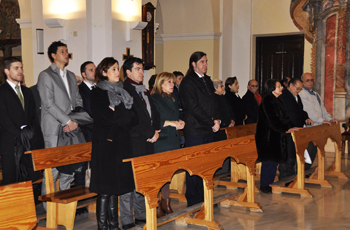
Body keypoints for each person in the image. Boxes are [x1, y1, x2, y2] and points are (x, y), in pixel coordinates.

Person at [37, 41, 93, 205]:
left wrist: (73, 121)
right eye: (62, 51)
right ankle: (50, 212)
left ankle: (65, 209)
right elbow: (48, 104)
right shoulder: (45, 75)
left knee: (70, 169)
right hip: (54, 129)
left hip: (71, 128)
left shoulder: (70, 75)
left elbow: (78, 101)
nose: (66, 53)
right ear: (53, 55)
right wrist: (67, 120)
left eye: (67, 51)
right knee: (53, 171)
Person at [90, 57, 135, 230]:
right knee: (105, 187)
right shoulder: (97, 93)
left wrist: (118, 112)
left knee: (116, 186)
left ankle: (114, 225)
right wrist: (120, 115)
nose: (117, 72)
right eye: (113, 69)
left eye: (118, 69)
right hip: (106, 144)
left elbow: (133, 118)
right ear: (103, 73)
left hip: (121, 144)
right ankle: (103, 226)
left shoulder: (123, 91)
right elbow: (105, 117)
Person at [120, 57, 160, 229]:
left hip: (148, 140)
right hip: (133, 140)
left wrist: (156, 130)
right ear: (128, 72)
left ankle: (141, 213)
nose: (141, 72)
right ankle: (127, 218)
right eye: (137, 69)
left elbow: (154, 112)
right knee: (129, 180)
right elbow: (132, 117)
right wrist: (150, 132)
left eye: (142, 68)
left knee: (142, 179)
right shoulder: (124, 89)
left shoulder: (143, 89)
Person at [179, 51, 220, 206]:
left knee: (207, 164)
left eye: (206, 61)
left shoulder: (207, 81)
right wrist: (211, 121)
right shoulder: (188, 82)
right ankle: (194, 199)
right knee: (195, 166)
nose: (205, 64)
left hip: (209, 128)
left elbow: (214, 102)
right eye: (202, 61)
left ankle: (206, 196)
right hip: (195, 130)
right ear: (193, 64)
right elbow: (193, 107)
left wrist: (216, 119)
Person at [0, 57, 44, 185]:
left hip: (29, 142)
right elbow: (3, 119)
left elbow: (34, 117)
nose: (20, 71)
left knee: (31, 179)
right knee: (12, 181)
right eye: (16, 68)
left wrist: (35, 137)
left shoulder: (27, 91)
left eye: (21, 68)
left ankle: (31, 205)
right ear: (6, 71)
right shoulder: (2, 92)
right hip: (11, 143)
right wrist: (21, 134)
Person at [255, 79, 301, 193]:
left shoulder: (278, 100)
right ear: (272, 88)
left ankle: (270, 183)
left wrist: (292, 126)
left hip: (277, 136)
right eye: (279, 86)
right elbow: (272, 120)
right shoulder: (267, 100)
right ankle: (264, 185)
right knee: (269, 161)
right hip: (268, 137)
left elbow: (285, 117)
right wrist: (286, 128)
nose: (281, 88)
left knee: (274, 161)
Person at [151, 72, 185, 217]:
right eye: (169, 82)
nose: (172, 85)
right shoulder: (154, 98)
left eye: (172, 82)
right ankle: (157, 204)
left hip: (172, 140)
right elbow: (153, 121)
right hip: (161, 141)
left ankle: (166, 202)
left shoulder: (171, 98)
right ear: (161, 84)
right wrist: (172, 123)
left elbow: (175, 117)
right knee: (159, 175)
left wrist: (180, 122)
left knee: (168, 175)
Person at [299, 72, 338, 169]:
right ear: (302, 81)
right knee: (309, 150)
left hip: (317, 126)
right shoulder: (302, 94)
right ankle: (302, 171)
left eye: (311, 80)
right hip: (309, 126)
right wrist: (321, 120)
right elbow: (309, 111)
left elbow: (322, 109)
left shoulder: (315, 93)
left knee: (314, 149)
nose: (310, 82)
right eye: (307, 80)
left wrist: (329, 119)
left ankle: (306, 171)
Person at [279, 78, 313, 180]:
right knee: (287, 155)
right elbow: (284, 114)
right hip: (288, 130)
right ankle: (285, 178)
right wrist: (290, 126)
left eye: (300, 89)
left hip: (296, 130)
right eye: (297, 88)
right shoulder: (283, 96)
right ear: (291, 85)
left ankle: (291, 176)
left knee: (293, 154)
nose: (298, 91)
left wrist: (306, 117)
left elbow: (300, 111)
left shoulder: (296, 96)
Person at [212, 79, 235, 175]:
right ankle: (219, 171)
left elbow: (230, 110)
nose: (223, 88)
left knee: (227, 150)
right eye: (221, 86)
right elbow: (217, 113)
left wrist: (233, 120)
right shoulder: (213, 98)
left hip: (228, 128)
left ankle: (225, 170)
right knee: (220, 151)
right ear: (215, 88)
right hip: (220, 130)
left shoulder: (223, 97)